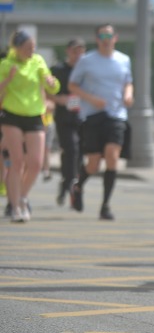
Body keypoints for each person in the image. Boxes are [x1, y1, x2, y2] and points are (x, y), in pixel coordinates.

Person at [68, 24, 133, 221]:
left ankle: (105, 205)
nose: (106, 38)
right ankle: (78, 187)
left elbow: (128, 81)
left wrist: (129, 94)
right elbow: (72, 85)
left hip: (116, 115)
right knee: (94, 164)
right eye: (102, 35)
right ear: (97, 39)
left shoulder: (124, 59)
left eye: (109, 35)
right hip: (93, 115)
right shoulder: (87, 61)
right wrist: (90, 99)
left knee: (112, 157)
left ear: (115, 38)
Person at [0, 30, 60, 222]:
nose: (31, 51)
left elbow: (52, 86)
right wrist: (8, 79)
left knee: (35, 163)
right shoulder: (6, 64)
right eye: (27, 48)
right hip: (12, 115)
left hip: (35, 115)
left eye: (33, 47)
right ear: (16, 49)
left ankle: (23, 197)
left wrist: (52, 82)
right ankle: (15, 206)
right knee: (16, 162)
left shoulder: (38, 61)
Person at [50, 38, 86, 207]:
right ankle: (72, 187)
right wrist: (59, 99)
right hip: (64, 118)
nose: (78, 54)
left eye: (81, 50)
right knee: (71, 148)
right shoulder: (58, 70)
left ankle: (66, 183)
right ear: (68, 51)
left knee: (78, 153)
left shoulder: (87, 70)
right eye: (74, 51)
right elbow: (45, 92)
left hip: (83, 117)